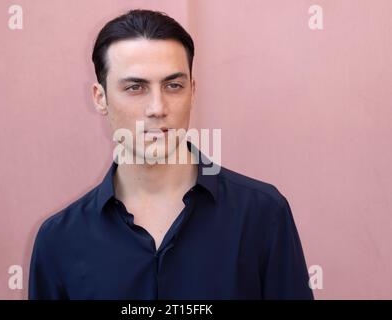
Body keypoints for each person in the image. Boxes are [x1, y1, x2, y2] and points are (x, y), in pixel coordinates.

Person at [28, 9, 314, 300]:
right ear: (100, 98)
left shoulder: (263, 215)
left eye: (172, 86)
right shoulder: (59, 241)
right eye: (135, 87)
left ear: (192, 90)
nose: (157, 107)